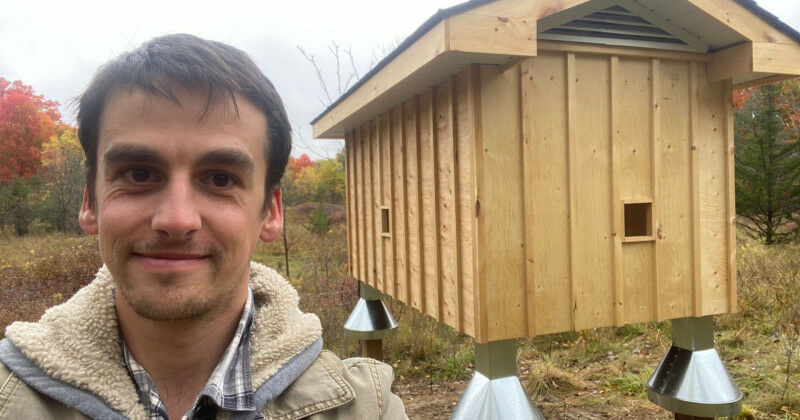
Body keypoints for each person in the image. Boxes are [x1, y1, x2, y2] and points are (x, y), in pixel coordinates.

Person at [0, 34, 406, 419]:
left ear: (271, 211)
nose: (177, 220)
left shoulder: (365, 409)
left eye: (220, 179)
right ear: (90, 202)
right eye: (139, 173)